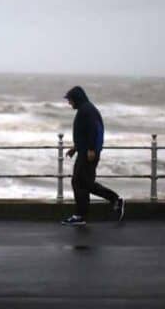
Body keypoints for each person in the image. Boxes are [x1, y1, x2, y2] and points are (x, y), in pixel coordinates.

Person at [61, 86, 124, 226]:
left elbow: (94, 131)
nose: (69, 103)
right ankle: (85, 213)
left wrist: (91, 149)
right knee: (84, 183)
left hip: (88, 154)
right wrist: (76, 148)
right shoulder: (85, 109)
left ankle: (82, 214)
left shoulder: (87, 110)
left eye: (70, 100)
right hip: (85, 152)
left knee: (79, 182)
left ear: (76, 98)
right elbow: (84, 133)